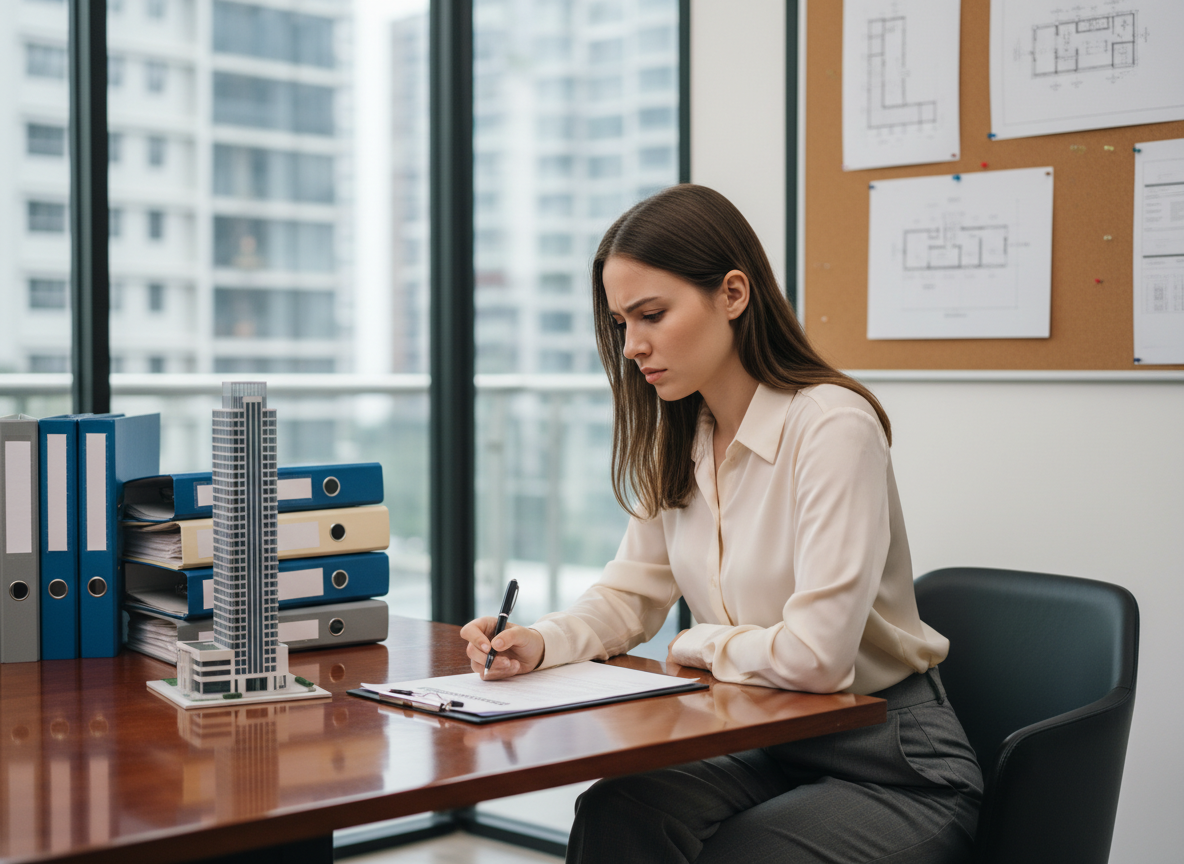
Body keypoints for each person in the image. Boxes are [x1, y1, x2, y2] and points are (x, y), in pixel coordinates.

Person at [459, 184, 983, 864]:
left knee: (750, 853)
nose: (631, 346)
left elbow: (819, 659)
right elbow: (629, 596)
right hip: (757, 738)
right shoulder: (681, 438)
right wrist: (538, 641)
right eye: (622, 323)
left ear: (733, 294)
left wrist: (702, 643)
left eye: (651, 314)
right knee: (619, 808)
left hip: (893, 760)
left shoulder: (830, 427)